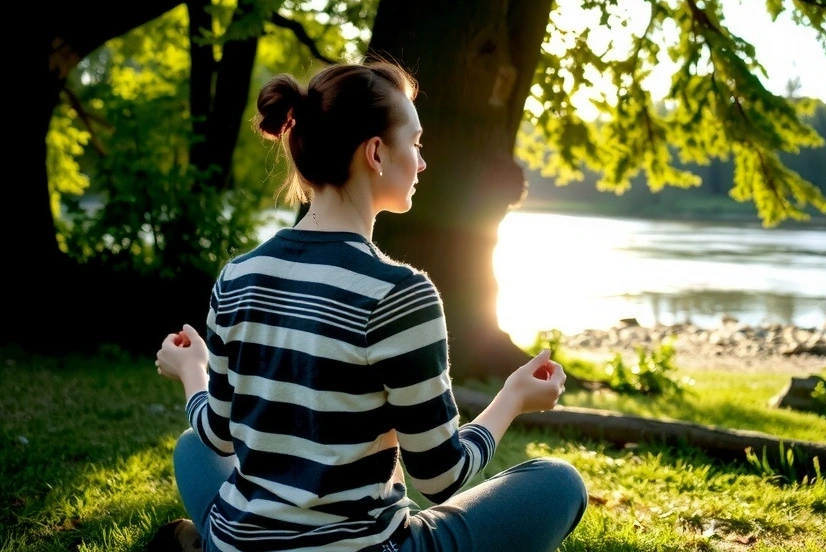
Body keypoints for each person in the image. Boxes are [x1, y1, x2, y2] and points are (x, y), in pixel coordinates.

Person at [152, 60, 587, 552]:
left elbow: (217, 432)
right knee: (559, 483)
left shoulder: (238, 277)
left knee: (194, 448)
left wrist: (194, 370)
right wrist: (512, 398)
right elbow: (441, 477)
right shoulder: (399, 295)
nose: (422, 162)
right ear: (377, 152)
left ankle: (206, 540)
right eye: (416, 144)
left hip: (242, 539)